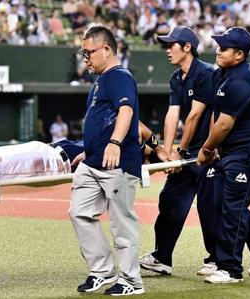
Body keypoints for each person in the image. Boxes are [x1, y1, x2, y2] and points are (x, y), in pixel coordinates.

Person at [198, 27, 250, 284]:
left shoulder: (241, 79)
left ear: (239, 55)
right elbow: (216, 116)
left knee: (233, 205)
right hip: (232, 149)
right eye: (219, 46)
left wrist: (206, 149)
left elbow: (224, 124)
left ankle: (230, 269)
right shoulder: (222, 75)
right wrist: (214, 147)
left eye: (224, 48)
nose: (218, 50)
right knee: (219, 202)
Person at [69, 25, 145, 296]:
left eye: (88, 52)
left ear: (107, 49)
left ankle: (131, 281)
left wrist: (114, 142)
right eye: (83, 53)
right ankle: (101, 271)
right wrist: (89, 151)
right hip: (93, 162)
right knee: (79, 212)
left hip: (118, 162)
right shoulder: (101, 80)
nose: (85, 58)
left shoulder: (120, 76)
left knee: (121, 223)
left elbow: (126, 110)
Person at [138, 26, 219, 276]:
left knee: (210, 207)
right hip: (188, 153)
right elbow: (173, 115)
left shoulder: (207, 73)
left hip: (209, 152)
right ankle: (162, 257)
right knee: (170, 198)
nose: (166, 50)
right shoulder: (176, 78)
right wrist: (168, 151)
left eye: (171, 44)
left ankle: (218, 259)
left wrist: (179, 151)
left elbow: (194, 116)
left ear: (187, 47)